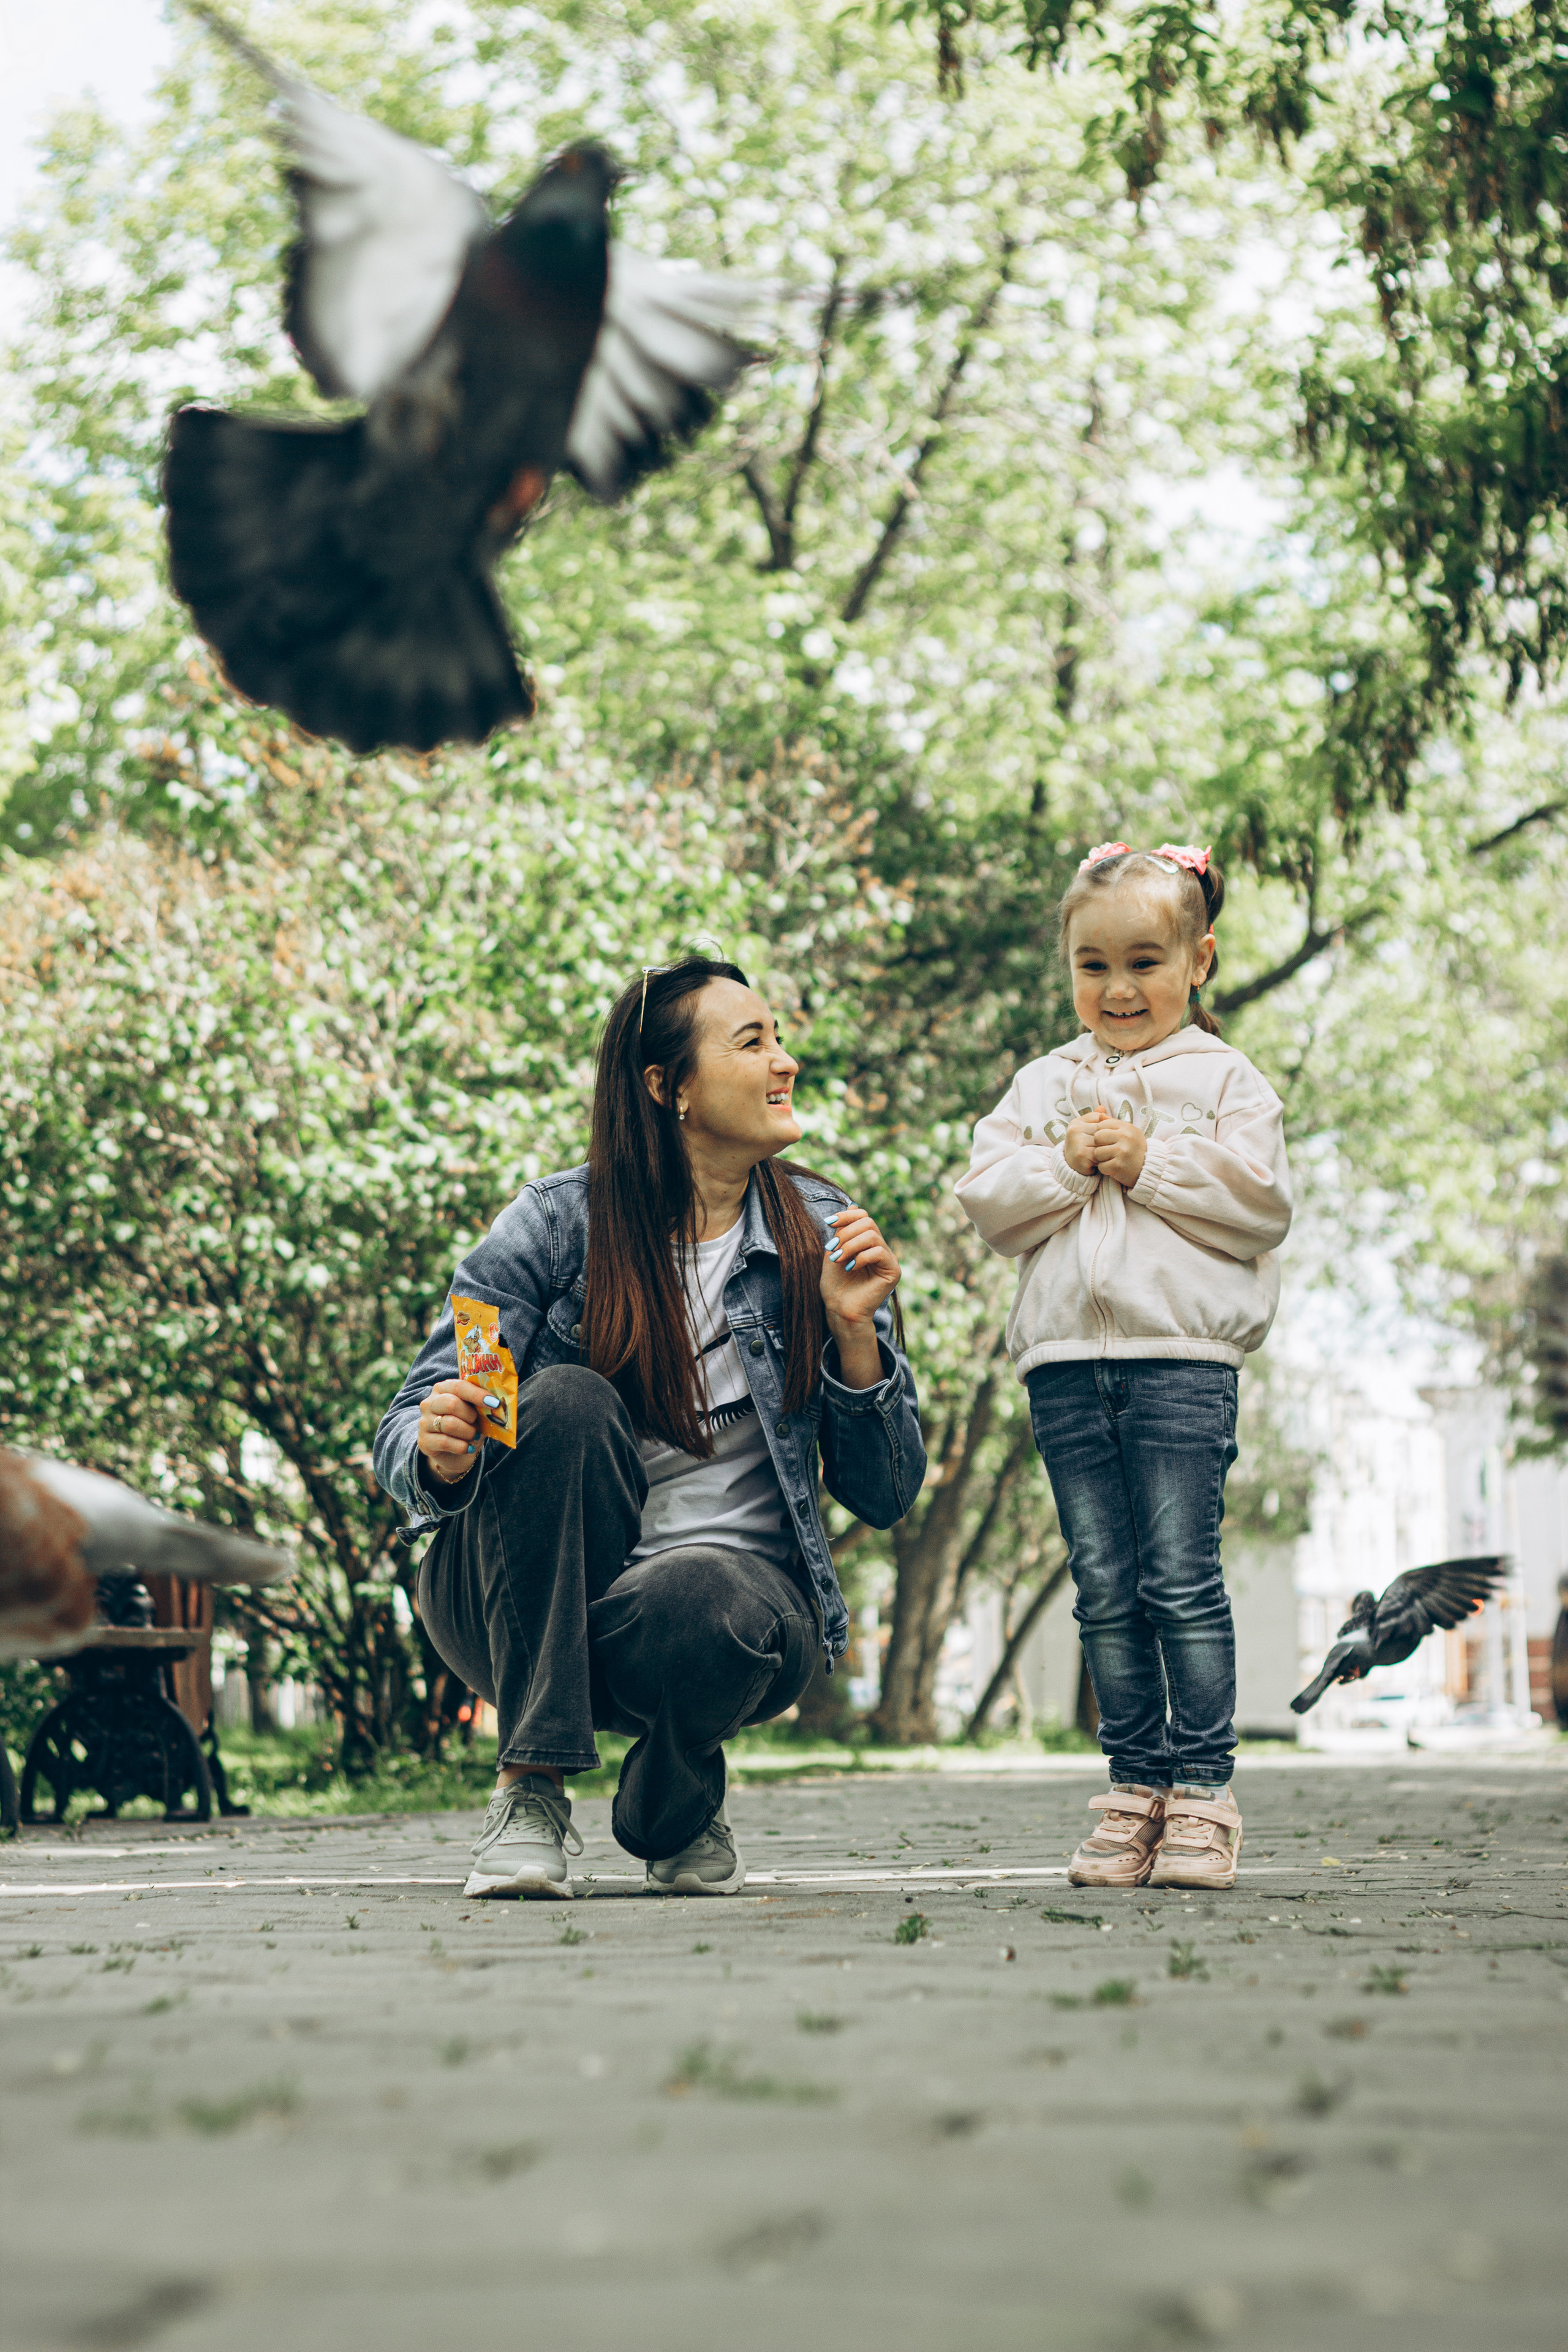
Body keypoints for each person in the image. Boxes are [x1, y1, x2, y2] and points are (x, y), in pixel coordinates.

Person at [374, 954, 925, 1898]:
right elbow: (414, 1417)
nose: (784, 1061)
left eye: (780, 1038)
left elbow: (884, 1494)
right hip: (522, 1607)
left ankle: (673, 1790)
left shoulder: (824, 1232)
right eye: (751, 1042)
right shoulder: (554, 1227)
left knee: (708, 1596)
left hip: (726, 1617)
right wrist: (437, 1445)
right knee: (567, 1402)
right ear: (667, 1087)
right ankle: (531, 1787)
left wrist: (851, 1335)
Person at [955, 844, 1292, 1891]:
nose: (1118, 988)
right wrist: (1064, 1162)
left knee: (1180, 1581)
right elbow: (988, 1202)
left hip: (1181, 1363)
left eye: (1145, 961)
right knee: (1104, 1588)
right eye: (1092, 965)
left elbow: (1260, 1207)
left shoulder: (1227, 1081)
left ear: (1199, 961)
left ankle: (1203, 1793)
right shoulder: (1043, 1084)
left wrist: (1151, 1164)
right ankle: (1133, 1786)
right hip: (1063, 1365)